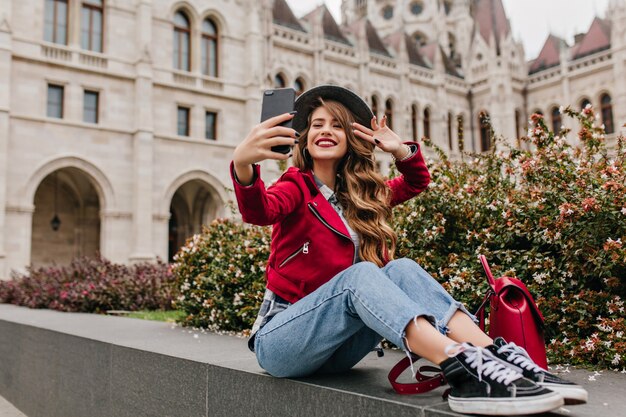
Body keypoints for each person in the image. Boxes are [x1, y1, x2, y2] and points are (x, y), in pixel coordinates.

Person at [230, 85, 587, 415]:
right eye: (317, 125)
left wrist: (400, 150)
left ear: (352, 137)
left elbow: (417, 181)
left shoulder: (363, 195)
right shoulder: (296, 185)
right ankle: (461, 367)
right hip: (283, 343)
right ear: (304, 140)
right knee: (362, 274)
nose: (325, 130)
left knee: (399, 268)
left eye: (337, 125)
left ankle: (497, 357)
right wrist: (245, 163)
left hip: (339, 349)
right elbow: (259, 209)